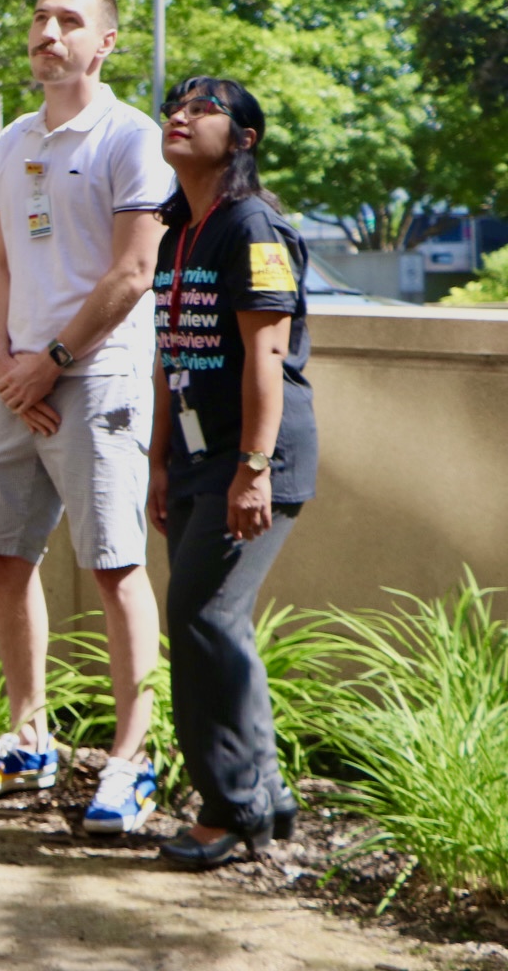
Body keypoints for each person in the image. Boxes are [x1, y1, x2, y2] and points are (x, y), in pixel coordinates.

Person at [0, 0, 175, 836]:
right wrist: (6, 362)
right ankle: (25, 736)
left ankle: (132, 759)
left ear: (105, 41)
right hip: (19, 382)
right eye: (41, 19)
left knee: (114, 566)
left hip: (98, 376)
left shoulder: (129, 136)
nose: (50, 34)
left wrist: (56, 359)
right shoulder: (13, 140)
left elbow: (134, 272)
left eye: (70, 22)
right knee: (4, 557)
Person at [147, 77, 315, 868]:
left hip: (251, 457)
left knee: (202, 617)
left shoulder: (252, 225)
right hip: (191, 456)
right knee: (216, 624)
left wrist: (252, 468)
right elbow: (168, 353)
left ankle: (231, 805)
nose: (180, 116)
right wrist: (158, 458)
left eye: (203, 109)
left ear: (243, 139)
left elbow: (266, 356)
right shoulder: (178, 230)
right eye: (174, 107)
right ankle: (266, 796)